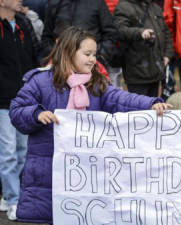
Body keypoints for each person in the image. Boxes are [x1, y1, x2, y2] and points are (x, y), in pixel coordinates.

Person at [9, 27, 171, 224]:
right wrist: (36, 114)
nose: (93, 59)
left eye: (94, 54)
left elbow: (122, 99)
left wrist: (151, 104)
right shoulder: (40, 81)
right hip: (45, 180)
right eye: (87, 54)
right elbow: (17, 110)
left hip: (85, 178)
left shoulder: (97, 84)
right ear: (68, 52)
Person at [0, 0, 38, 220]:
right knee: (8, 154)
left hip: (24, 100)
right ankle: (14, 199)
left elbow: (34, 56)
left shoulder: (24, 23)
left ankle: (14, 195)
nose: (20, 0)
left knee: (24, 151)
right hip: (3, 101)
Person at [114, 0, 174, 97]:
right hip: (137, 71)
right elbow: (119, 30)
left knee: (153, 106)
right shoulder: (123, 7)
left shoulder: (154, 7)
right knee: (139, 108)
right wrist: (139, 33)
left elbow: (165, 32)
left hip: (156, 69)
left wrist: (168, 54)